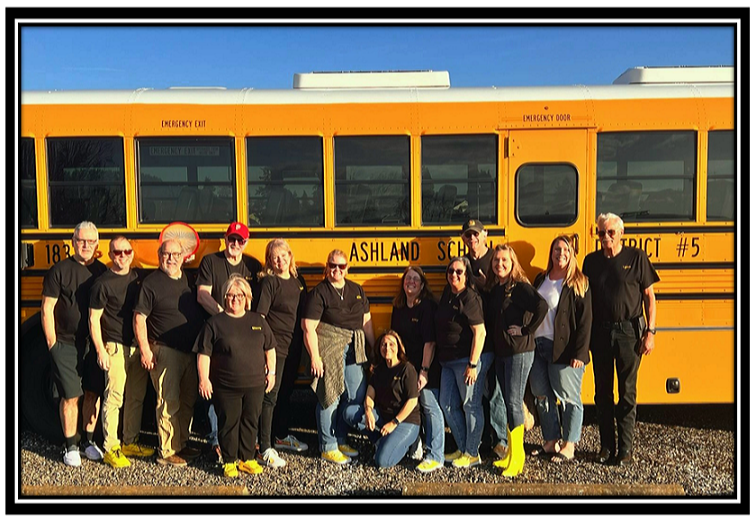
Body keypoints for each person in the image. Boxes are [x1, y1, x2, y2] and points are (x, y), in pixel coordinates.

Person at [582, 213, 659, 467]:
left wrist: (651, 332)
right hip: (600, 333)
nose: (605, 237)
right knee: (602, 393)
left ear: (621, 233)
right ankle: (606, 447)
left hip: (629, 333)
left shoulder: (636, 258)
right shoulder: (590, 262)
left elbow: (649, 297)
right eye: (601, 233)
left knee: (627, 393)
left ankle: (625, 450)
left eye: (610, 232)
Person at [195, 274, 276, 478]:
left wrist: (272, 372)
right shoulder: (215, 323)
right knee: (229, 422)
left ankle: (247, 458)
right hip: (226, 385)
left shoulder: (258, 320)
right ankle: (229, 461)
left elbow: (270, 349)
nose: (235, 299)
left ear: (247, 297)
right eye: (231, 295)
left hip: (255, 384)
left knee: (250, 420)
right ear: (225, 297)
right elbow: (204, 353)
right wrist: (204, 379)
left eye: (240, 295)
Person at [134, 238, 205, 467]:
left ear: (183, 257)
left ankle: (181, 443)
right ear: (159, 255)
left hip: (188, 352)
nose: (171, 258)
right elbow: (139, 318)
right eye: (167, 254)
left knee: (187, 401)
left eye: (176, 254)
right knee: (168, 401)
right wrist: (145, 349)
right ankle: (166, 451)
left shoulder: (186, 279)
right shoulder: (151, 283)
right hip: (164, 350)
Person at [41, 221, 108, 466]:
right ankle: (70, 446)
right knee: (70, 396)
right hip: (66, 344)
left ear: (97, 245)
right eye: (82, 240)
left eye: (91, 242)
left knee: (92, 392)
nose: (86, 245)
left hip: (93, 342)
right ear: (73, 242)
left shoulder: (102, 271)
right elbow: (47, 308)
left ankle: (88, 442)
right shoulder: (59, 270)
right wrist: (52, 345)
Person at [196, 221, 263, 463]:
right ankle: (217, 441)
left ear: (246, 243)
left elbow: (257, 298)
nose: (235, 244)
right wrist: (224, 317)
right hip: (218, 334)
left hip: (244, 336)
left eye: (240, 240)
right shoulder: (210, 262)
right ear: (225, 239)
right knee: (218, 389)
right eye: (231, 239)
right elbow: (202, 294)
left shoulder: (253, 265)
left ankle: (245, 446)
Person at [302, 249, 375, 465]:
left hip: (355, 348)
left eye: (341, 266)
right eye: (333, 265)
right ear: (327, 267)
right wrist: (315, 357)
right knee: (330, 395)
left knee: (354, 395)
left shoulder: (356, 290)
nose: (337, 270)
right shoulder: (319, 293)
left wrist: (374, 349)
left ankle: (341, 438)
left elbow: (366, 321)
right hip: (329, 347)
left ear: (347, 268)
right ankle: (328, 446)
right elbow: (308, 327)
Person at [89, 236, 155, 468]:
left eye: (127, 252)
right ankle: (111, 447)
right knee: (114, 397)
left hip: (137, 345)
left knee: (136, 396)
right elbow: (93, 319)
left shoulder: (138, 277)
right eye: (118, 253)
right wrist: (100, 349)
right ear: (110, 255)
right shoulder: (102, 284)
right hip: (115, 345)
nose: (123, 256)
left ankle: (129, 440)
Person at [529, 236, 592, 463]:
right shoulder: (541, 278)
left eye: (566, 249)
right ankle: (550, 440)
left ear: (572, 254)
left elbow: (585, 322)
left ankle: (569, 444)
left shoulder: (578, 282)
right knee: (542, 396)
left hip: (563, 350)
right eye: (557, 249)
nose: (561, 253)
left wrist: (580, 354)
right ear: (551, 252)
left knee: (568, 398)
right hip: (538, 347)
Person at [487, 244, 548, 477]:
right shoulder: (497, 289)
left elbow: (542, 306)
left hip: (519, 351)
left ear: (512, 263)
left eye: (504, 260)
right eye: (496, 261)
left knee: (513, 402)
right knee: (506, 401)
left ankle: (518, 458)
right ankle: (510, 454)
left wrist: (526, 330)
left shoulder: (520, 288)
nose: (499, 264)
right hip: (502, 353)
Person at [253, 239, 309, 468]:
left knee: (286, 393)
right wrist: (266, 348)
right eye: (275, 257)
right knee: (270, 396)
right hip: (275, 348)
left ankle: (280, 435)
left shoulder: (298, 281)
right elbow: (261, 317)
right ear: (270, 260)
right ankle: (264, 446)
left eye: (283, 255)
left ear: (290, 255)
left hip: (294, 346)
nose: (280, 260)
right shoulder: (269, 283)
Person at [461, 219, 510, 460]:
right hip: (476, 339)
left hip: (496, 336)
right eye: (468, 236)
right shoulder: (464, 263)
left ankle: (501, 440)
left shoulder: (495, 260)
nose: (472, 239)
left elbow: (505, 291)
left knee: (496, 391)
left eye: (476, 235)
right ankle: (487, 438)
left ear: (485, 235)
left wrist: (484, 285)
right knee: (481, 391)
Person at [390, 267, 443, 473]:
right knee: (413, 406)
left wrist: (424, 371)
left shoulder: (427, 307)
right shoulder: (399, 306)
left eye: (415, 279)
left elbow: (430, 342)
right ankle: (416, 444)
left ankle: (435, 454)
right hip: (407, 367)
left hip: (426, 365)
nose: (410, 282)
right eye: (407, 278)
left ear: (422, 285)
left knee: (429, 406)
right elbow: (395, 339)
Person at [435, 256, 487, 469]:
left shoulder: (470, 298)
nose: (453, 275)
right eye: (450, 272)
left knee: (470, 405)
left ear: (466, 275)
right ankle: (463, 446)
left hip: (465, 360)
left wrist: (473, 364)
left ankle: (472, 453)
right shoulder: (448, 293)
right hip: (447, 361)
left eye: (458, 272)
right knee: (447, 405)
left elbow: (480, 332)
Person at [343, 331, 421, 468]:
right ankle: (380, 441)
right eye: (384, 344)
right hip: (384, 417)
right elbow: (370, 394)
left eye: (392, 344)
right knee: (349, 412)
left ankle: (412, 443)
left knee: (382, 461)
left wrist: (394, 423)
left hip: (406, 421)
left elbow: (412, 401)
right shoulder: (379, 369)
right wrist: (368, 411)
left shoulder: (407, 369)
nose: (387, 347)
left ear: (399, 347)